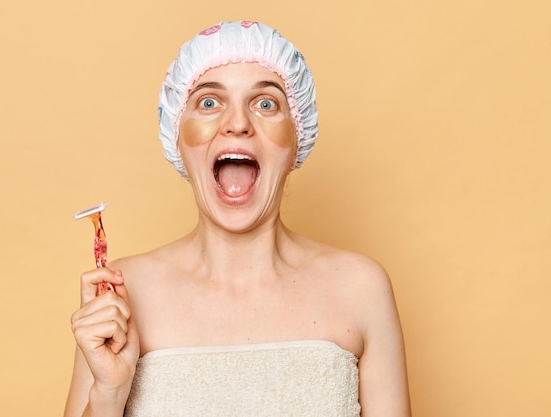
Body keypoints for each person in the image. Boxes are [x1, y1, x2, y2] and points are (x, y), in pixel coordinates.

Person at [64, 21, 411, 417]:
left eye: (265, 103)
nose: (238, 123)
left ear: (298, 136)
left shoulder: (361, 288)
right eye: (209, 102)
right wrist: (108, 393)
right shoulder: (120, 293)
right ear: (176, 135)